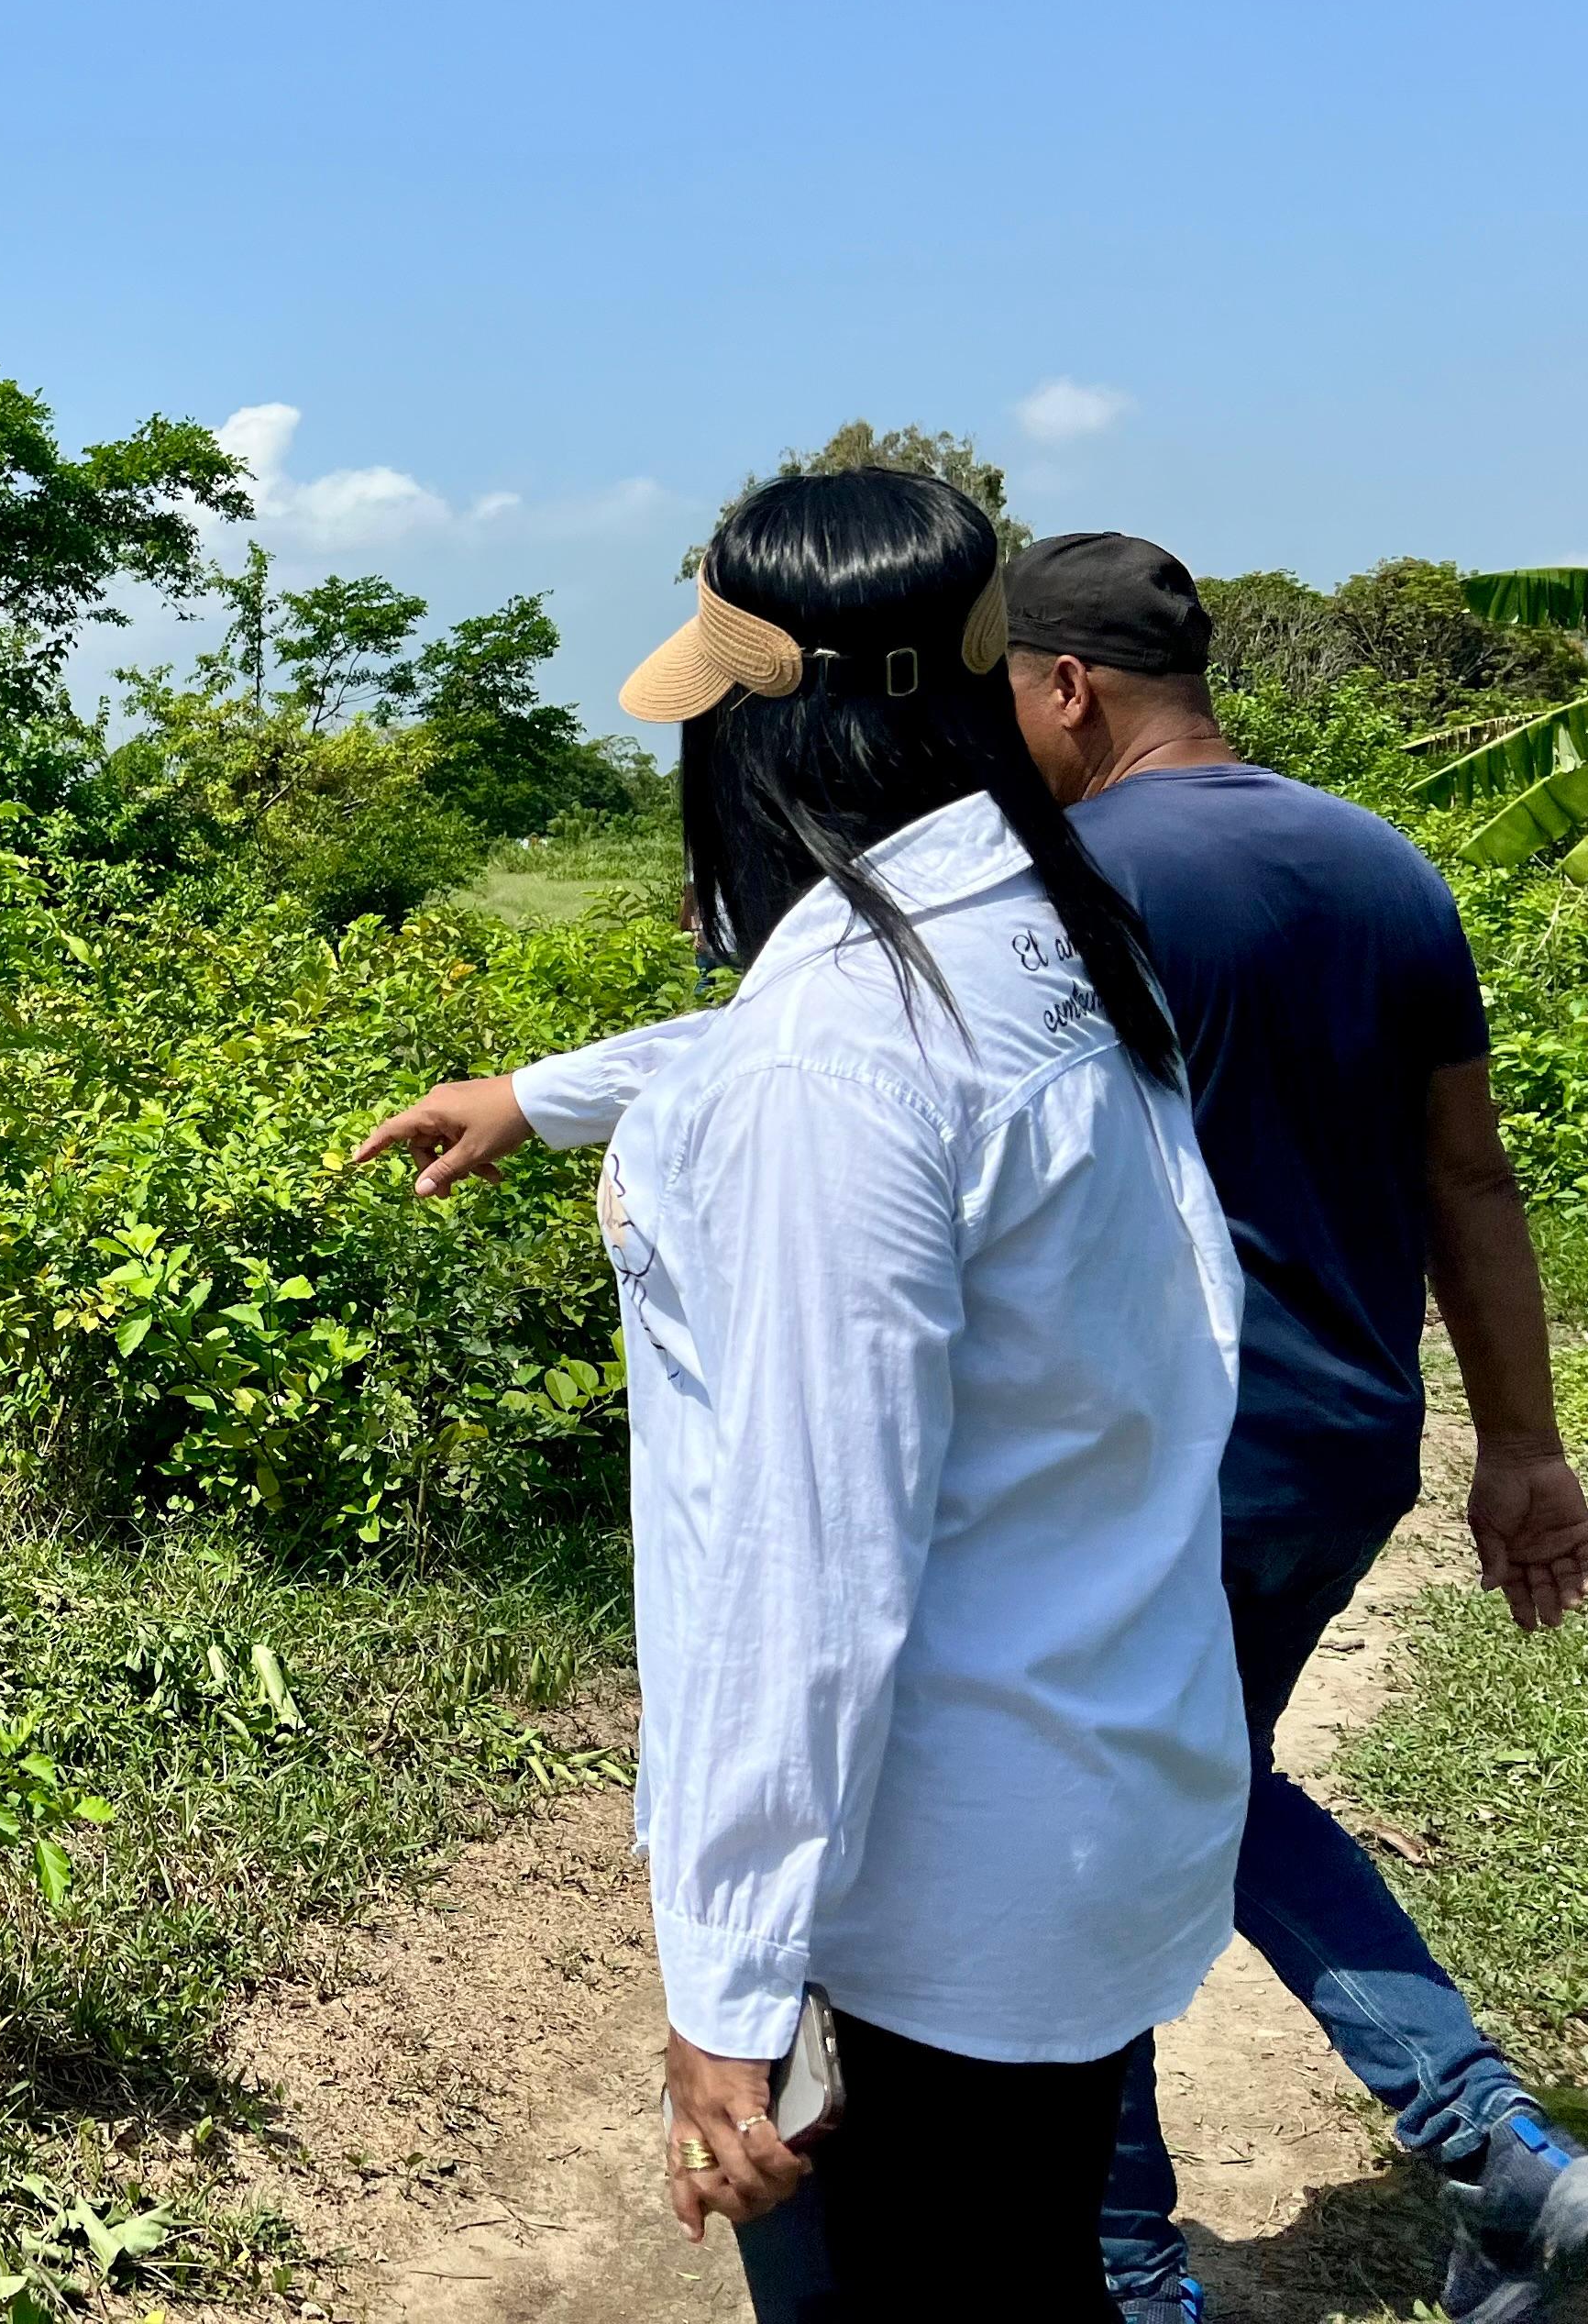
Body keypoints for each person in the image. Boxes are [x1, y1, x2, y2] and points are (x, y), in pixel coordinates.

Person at [366, 526, 1588, 2324]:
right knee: (1190, 1796)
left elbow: (822, 1518)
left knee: (1055, 1859)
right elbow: (1470, 1172)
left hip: (1105, 1471)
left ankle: (1156, 2253)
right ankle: (1473, 2148)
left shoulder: (1041, 903)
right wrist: (1525, 1447)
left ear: (1062, 690)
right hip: (1326, 1445)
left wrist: (729, 1967)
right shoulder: (1355, 866)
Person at [395, 470, 1254, 2315]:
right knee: (1027, 2270)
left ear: (775, 738)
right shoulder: (1055, 937)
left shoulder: (841, 1055)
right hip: (1098, 1794)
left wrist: (725, 1984)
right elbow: (824, 1043)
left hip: (939, 1875)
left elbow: (807, 1563)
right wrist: (553, 1092)